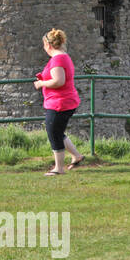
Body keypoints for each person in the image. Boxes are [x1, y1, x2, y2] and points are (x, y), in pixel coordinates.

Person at [34, 28, 84, 176]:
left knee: (53, 133)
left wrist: (41, 84)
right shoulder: (64, 57)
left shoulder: (57, 59)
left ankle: (58, 168)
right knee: (57, 131)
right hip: (65, 101)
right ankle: (76, 156)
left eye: (44, 45)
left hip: (59, 103)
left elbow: (58, 81)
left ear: (48, 45)